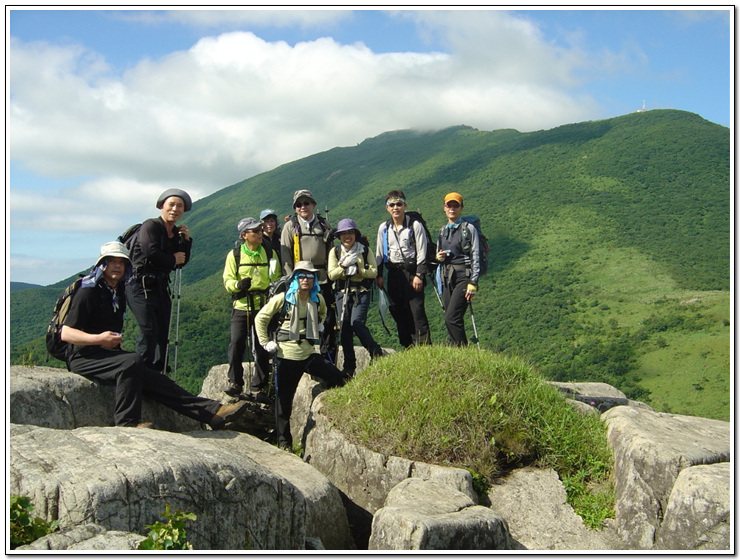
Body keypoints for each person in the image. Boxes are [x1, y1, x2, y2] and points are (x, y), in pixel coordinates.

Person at [61, 241, 247, 429]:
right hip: (82, 356)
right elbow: (66, 333)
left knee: (155, 378)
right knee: (132, 361)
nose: (117, 265)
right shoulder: (88, 291)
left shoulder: (116, 291)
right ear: (102, 265)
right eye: (111, 261)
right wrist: (99, 339)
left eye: (121, 262)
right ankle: (126, 423)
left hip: (104, 355)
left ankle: (212, 412)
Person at [255, 261, 346, 450]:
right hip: (286, 355)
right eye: (302, 276)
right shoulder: (283, 299)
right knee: (283, 403)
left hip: (307, 353)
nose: (306, 279)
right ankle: (284, 442)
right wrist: (265, 343)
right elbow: (261, 318)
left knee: (338, 378)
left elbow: (323, 312)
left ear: (314, 280)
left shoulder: (317, 299)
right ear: (295, 278)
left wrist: (318, 324)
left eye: (309, 276)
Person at [126, 188, 193, 373]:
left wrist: (186, 241)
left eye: (179, 206)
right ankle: (141, 371)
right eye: (171, 204)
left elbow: (181, 262)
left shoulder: (175, 233)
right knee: (148, 330)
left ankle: (158, 370)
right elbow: (151, 252)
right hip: (139, 285)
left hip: (160, 286)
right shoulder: (151, 226)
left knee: (163, 331)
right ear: (162, 206)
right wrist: (173, 259)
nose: (175, 209)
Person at [223, 217, 281, 402]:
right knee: (237, 343)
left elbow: (277, 276)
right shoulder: (235, 255)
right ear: (244, 235)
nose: (259, 233)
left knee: (262, 345)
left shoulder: (269, 252)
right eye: (255, 231)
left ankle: (259, 386)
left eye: (260, 229)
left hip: (264, 305)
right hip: (242, 305)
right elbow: (227, 280)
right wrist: (238, 285)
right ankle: (235, 382)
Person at [280, 189, 337, 363]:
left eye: (306, 203)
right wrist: (291, 279)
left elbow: (331, 251)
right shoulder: (290, 226)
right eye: (299, 204)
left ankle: (328, 360)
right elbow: (285, 254)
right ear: (295, 208)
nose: (303, 207)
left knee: (327, 319)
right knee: (303, 319)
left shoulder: (323, 224)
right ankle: (306, 358)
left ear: (313, 204)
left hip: (322, 278)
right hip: (300, 279)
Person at [375, 190, 432, 347]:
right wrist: (379, 275)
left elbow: (422, 251)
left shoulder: (415, 225)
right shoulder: (384, 228)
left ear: (405, 205)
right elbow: (379, 252)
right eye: (391, 205)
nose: (395, 208)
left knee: (416, 311)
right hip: (393, 273)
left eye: (399, 204)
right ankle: (407, 346)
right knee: (398, 311)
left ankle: (424, 347)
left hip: (412, 272)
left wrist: (419, 275)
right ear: (387, 208)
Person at [328, 219, 384, 377]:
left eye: (350, 232)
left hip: (361, 291)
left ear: (355, 234)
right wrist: (343, 268)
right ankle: (349, 367)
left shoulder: (364, 250)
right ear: (339, 236)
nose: (347, 236)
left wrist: (360, 271)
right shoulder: (335, 252)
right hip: (342, 292)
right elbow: (332, 275)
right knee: (345, 328)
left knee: (357, 323)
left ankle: (375, 352)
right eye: (343, 233)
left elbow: (373, 272)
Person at [435, 192, 481, 346]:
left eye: (456, 205)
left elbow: (476, 254)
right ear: (444, 208)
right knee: (451, 316)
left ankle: (462, 351)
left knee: (451, 318)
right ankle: (457, 351)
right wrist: (439, 257)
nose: (452, 208)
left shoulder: (468, 229)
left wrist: (473, 282)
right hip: (447, 277)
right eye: (449, 205)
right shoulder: (442, 231)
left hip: (463, 277)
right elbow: (438, 255)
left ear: (462, 208)